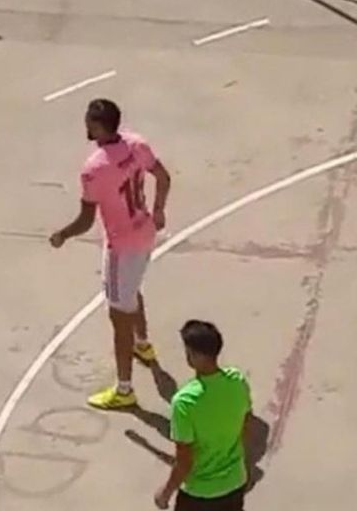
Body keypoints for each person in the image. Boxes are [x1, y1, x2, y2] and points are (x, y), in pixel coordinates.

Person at [50, 98, 171, 409]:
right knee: (132, 291)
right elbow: (163, 176)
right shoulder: (136, 144)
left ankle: (125, 388)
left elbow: (86, 220)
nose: (86, 127)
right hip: (145, 232)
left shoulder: (95, 169)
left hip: (121, 246)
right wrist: (158, 210)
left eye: (90, 122)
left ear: (99, 126)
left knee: (119, 315)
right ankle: (143, 344)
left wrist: (63, 234)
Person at [154, 320, 251, 511]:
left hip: (200, 493)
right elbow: (245, 424)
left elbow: (184, 459)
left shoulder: (185, 402)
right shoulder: (237, 381)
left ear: (194, 355)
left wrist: (165, 492)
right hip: (235, 483)